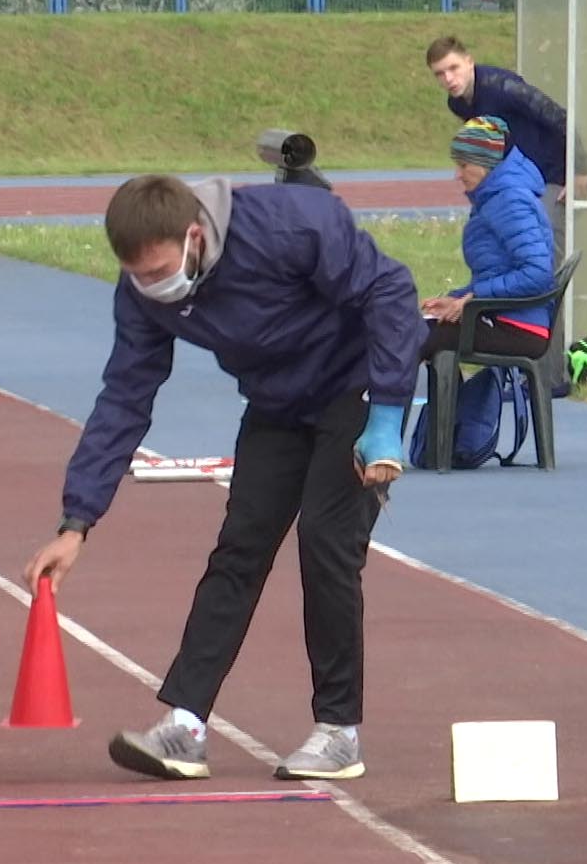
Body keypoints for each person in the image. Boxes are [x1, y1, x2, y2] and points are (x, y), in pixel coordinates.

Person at [22, 173, 425, 782]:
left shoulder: (291, 225)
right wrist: (77, 521)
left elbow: (392, 292)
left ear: (192, 237)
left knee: (326, 544)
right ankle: (185, 725)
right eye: (139, 277)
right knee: (239, 549)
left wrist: (389, 413)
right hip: (277, 401)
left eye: (161, 272)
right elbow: (125, 398)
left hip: (358, 387)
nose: (153, 288)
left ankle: (338, 730)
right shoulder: (141, 295)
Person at [427, 35, 586, 393]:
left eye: (453, 68)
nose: (448, 79)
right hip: (512, 174)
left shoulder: (504, 87)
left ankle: (549, 377)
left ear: (470, 61)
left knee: (539, 266)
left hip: (545, 175)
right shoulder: (459, 104)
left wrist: (578, 168)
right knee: (503, 252)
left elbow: (556, 115)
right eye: (440, 74)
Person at [419, 116, 556, 362]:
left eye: (463, 165)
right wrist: (458, 298)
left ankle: (379, 401)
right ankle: (448, 401)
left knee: (406, 338)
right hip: (506, 316)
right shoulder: (496, 196)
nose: (457, 175)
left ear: (486, 165)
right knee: (414, 332)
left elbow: (537, 273)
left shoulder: (509, 201)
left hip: (518, 327)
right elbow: (498, 274)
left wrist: (475, 298)